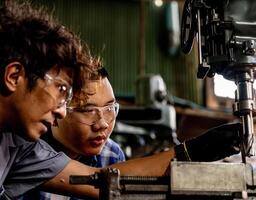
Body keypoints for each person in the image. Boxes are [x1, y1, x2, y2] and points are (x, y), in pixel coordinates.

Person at [0, 1, 242, 199]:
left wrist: (193, 151)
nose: (61, 111)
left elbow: (97, 180)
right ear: (14, 76)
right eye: (61, 89)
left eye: (109, 109)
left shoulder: (21, 148)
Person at [21, 59, 125, 200]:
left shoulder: (111, 156)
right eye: (88, 111)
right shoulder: (25, 152)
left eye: (109, 108)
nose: (103, 124)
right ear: (57, 110)